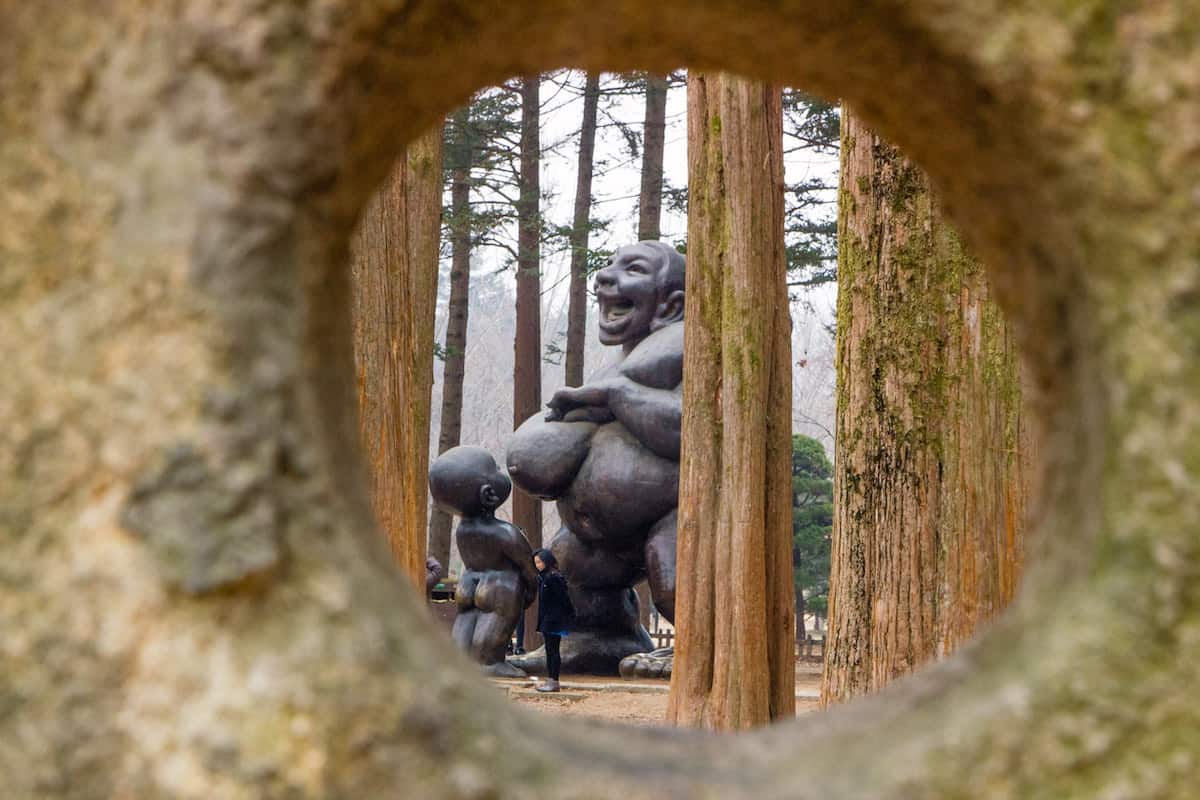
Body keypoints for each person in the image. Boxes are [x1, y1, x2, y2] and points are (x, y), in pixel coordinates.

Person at [533, 548, 575, 693]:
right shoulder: (543, 578)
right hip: (547, 620)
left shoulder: (553, 577)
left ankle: (554, 681)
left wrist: (568, 616)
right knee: (549, 651)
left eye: (539, 562)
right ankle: (551, 680)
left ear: (547, 561)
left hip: (554, 620)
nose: (537, 565)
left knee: (553, 650)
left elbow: (564, 599)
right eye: (536, 563)